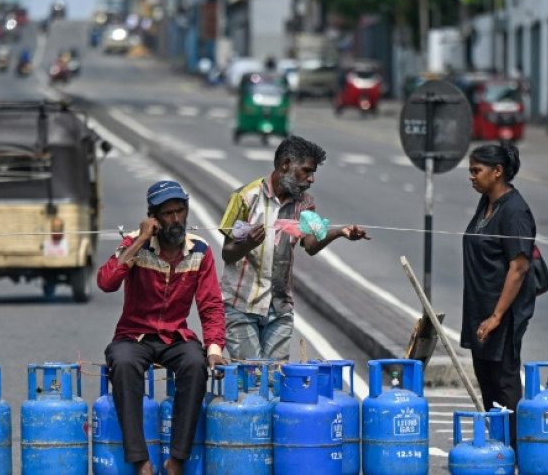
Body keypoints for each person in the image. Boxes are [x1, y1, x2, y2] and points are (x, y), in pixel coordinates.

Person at [97, 180, 226, 475]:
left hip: (175, 336)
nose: (176, 219)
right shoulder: (134, 243)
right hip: (134, 335)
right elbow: (106, 283)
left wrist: (215, 349)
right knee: (123, 362)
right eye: (168, 213)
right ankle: (140, 459)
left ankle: (176, 460)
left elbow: (211, 305)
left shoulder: (200, 252)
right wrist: (140, 239)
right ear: (153, 217)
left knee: (195, 364)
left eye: (180, 211)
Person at [219, 136, 370, 361]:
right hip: (240, 305)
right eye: (307, 171)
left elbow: (310, 245)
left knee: (275, 379)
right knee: (250, 377)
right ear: (286, 164)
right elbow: (226, 252)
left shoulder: (305, 204)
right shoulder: (245, 197)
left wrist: (339, 232)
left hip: (279, 307)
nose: (311, 179)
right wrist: (248, 243)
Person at [460, 141, 536, 451]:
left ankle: (517, 454)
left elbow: (518, 267)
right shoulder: (487, 203)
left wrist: (497, 316)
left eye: (477, 171)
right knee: (488, 383)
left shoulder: (515, 212)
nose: (472, 177)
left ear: (498, 171)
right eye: (470, 171)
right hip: (480, 308)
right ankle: (499, 449)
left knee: (504, 385)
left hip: (501, 314)